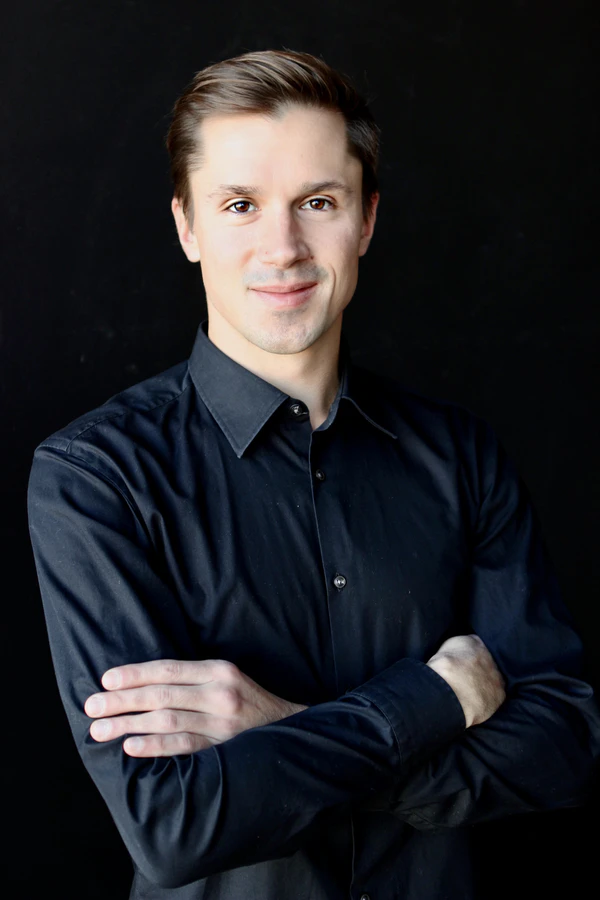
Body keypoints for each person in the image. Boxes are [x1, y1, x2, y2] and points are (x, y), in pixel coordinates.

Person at [28, 48, 600, 900]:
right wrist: (434, 703)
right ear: (187, 227)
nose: (283, 247)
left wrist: (282, 726)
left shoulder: (463, 457)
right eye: (240, 205)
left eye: (318, 202)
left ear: (365, 221)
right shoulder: (96, 478)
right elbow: (174, 825)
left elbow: (562, 747)